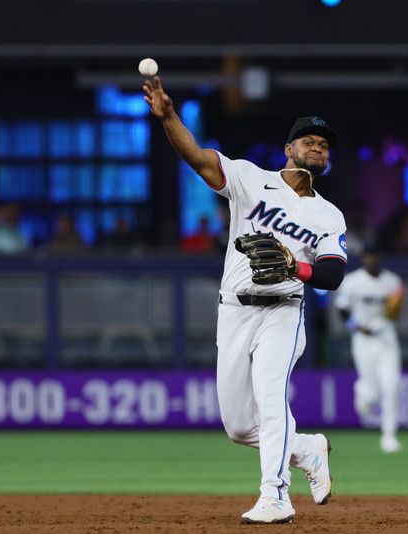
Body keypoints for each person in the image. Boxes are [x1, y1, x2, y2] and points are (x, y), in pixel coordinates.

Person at [144, 76, 347, 524]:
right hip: (234, 310)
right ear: (288, 148)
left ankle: (275, 496)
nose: (317, 148)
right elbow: (197, 158)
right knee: (238, 426)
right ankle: (307, 448)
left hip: (282, 310)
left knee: (272, 398)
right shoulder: (250, 179)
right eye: (308, 141)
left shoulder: (328, 214)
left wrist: (299, 268)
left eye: (324, 145)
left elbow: (332, 274)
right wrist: (169, 117)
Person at [334, 248, 405, 453]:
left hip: (386, 336)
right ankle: (362, 392)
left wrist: (393, 313)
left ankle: (389, 436)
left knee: (391, 386)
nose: (372, 259)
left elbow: (396, 310)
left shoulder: (393, 281)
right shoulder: (352, 281)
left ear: (380, 257)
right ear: (364, 258)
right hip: (362, 338)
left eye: (376, 255)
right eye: (369, 256)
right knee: (371, 394)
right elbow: (342, 309)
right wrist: (356, 326)